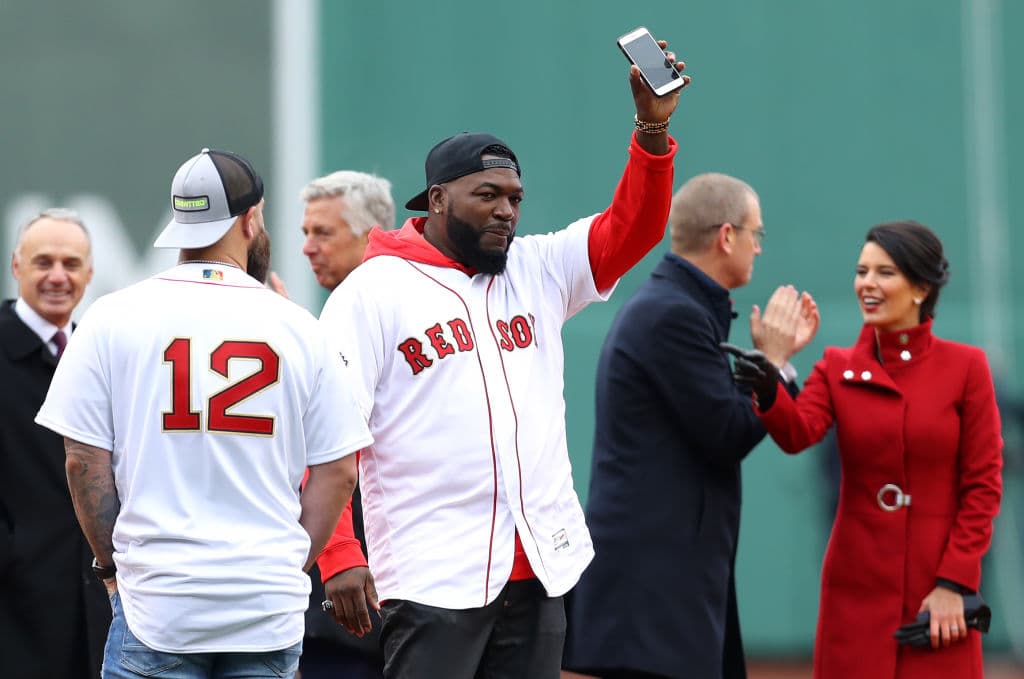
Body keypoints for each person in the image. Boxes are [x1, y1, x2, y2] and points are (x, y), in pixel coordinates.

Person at [317, 39, 689, 679]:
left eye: (514, 196)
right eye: (486, 194)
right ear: (436, 201)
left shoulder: (536, 268)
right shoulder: (371, 292)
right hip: (433, 570)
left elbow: (633, 229)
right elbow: (327, 430)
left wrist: (652, 130)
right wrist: (338, 552)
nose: (506, 211)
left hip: (540, 563)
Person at [34, 148, 372, 679]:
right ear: (251, 218)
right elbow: (340, 469)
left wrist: (111, 568)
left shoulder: (112, 316)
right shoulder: (299, 326)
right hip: (265, 608)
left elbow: (81, 461)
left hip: (158, 604)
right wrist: (285, 569)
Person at [561, 173, 819, 679]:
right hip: (655, 586)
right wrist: (774, 363)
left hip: (667, 577)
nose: (758, 249)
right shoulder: (671, 314)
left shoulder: (676, 307)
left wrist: (774, 367)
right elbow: (727, 432)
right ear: (727, 237)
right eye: (755, 235)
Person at [725, 220, 1003, 678]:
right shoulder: (837, 367)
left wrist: (954, 582)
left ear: (920, 289)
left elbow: (983, 485)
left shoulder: (967, 368)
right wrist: (773, 373)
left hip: (939, 586)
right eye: (861, 271)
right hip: (855, 585)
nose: (867, 284)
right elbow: (797, 434)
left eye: (884, 272)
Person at [273, 170, 396, 679]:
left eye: (322, 232)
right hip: (338, 602)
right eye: (305, 233)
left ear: (369, 237)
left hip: (395, 585)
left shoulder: (407, 311)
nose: (306, 248)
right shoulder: (319, 324)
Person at [0, 209, 109, 679]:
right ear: (16, 266)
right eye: (44, 262)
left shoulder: (99, 354)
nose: (58, 277)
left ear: (89, 272)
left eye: (71, 263)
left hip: (98, 609)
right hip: (14, 616)